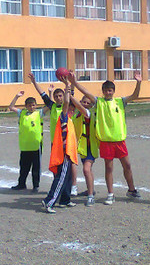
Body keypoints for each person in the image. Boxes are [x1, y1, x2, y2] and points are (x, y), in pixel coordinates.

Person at [71, 73, 141, 205]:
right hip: (106, 141)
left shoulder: (120, 101)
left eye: (110, 90)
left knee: (127, 165)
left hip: (119, 140)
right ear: (102, 92)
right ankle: (111, 194)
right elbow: (85, 91)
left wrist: (138, 83)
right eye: (106, 90)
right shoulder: (99, 102)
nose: (108, 92)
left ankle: (131, 189)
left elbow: (135, 96)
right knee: (109, 168)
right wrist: (74, 83)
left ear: (114, 91)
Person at [41, 77, 78, 213]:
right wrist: (67, 86)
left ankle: (65, 200)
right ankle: (48, 201)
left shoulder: (69, 118)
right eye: (70, 109)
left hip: (68, 151)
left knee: (67, 176)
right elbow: (67, 101)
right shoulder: (63, 116)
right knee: (61, 177)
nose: (71, 111)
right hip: (63, 152)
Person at [68, 72, 99, 206]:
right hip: (81, 146)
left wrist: (69, 91)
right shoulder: (75, 114)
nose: (85, 104)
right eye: (83, 102)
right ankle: (88, 190)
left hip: (90, 146)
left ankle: (91, 196)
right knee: (86, 170)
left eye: (88, 103)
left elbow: (76, 105)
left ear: (90, 105)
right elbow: (70, 104)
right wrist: (69, 86)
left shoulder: (87, 113)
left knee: (86, 169)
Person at [8, 91, 44, 192]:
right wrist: (16, 96)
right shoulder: (22, 113)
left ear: (36, 105)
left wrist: (49, 93)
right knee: (24, 167)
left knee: (36, 168)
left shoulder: (38, 114)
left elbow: (48, 106)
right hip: (25, 146)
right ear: (26, 106)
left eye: (33, 105)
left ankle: (36, 185)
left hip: (36, 145)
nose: (31, 107)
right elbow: (11, 107)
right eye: (29, 105)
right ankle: (21, 184)